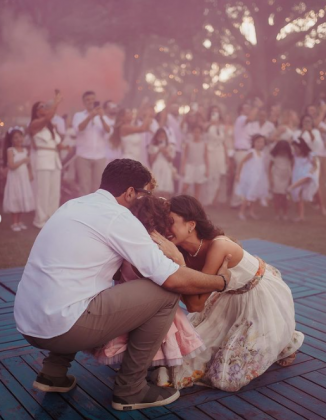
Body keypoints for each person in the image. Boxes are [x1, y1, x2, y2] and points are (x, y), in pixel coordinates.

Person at [13, 158, 231, 411]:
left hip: (28, 322)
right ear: (130, 193)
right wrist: (220, 281)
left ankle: (52, 373)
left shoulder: (73, 205)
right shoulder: (118, 217)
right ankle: (131, 390)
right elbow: (170, 277)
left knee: (80, 290)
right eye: (146, 193)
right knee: (165, 293)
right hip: (63, 327)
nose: (149, 198)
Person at [150, 195, 304, 392]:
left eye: (170, 222)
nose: (165, 229)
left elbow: (195, 305)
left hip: (258, 297)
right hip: (228, 297)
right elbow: (192, 299)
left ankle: (286, 340)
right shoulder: (182, 251)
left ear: (191, 225)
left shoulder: (218, 246)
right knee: (186, 353)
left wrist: (178, 263)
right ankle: (278, 338)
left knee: (228, 373)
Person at [91, 195, 205, 374]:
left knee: (134, 336)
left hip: (126, 306)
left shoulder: (126, 243)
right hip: (154, 308)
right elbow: (175, 280)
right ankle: (146, 372)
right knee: (157, 338)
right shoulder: (157, 249)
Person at [28, 91, 64, 228]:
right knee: (43, 191)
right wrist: (56, 102)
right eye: (42, 106)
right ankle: (40, 220)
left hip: (55, 160)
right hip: (43, 160)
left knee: (54, 192)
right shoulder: (34, 124)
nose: (45, 108)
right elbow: (49, 116)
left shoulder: (50, 127)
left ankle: (52, 217)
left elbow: (58, 144)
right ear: (36, 111)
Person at [72, 91, 111, 196]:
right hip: (83, 155)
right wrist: (90, 116)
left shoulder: (103, 116)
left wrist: (101, 117)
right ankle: (84, 211)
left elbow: (108, 131)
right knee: (84, 186)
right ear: (84, 102)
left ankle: (95, 210)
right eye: (87, 100)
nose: (90, 102)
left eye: (92, 99)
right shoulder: (78, 115)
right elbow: (79, 128)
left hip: (99, 156)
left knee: (98, 187)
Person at [230, 98, 263, 208]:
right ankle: (236, 202)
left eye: (250, 108)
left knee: (246, 177)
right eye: (246, 108)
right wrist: (257, 107)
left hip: (247, 152)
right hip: (241, 152)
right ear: (241, 111)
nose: (249, 110)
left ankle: (243, 201)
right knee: (240, 176)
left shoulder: (249, 124)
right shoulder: (241, 119)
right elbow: (251, 117)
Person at [2, 127, 34, 231]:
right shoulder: (10, 150)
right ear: (11, 140)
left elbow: (28, 165)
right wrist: (23, 160)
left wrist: (30, 174)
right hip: (15, 179)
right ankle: (14, 222)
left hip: (23, 179)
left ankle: (20, 221)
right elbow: (11, 165)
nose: (18, 139)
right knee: (15, 198)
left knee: (22, 198)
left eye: (20, 137)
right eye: (15, 138)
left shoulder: (25, 150)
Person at [293, 114, 326, 215]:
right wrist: (303, 131)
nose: (307, 123)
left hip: (313, 159)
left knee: (315, 182)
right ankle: (301, 214)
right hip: (301, 161)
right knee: (299, 184)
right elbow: (297, 142)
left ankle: (322, 207)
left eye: (309, 121)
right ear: (301, 122)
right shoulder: (297, 132)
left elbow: (315, 144)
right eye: (305, 121)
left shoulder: (315, 131)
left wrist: (309, 131)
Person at [236, 134, 269, 220]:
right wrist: (238, 174)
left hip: (259, 178)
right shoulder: (251, 152)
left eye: (262, 142)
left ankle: (251, 212)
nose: (260, 144)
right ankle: (241, 212)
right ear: (253, 143)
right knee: (248, 195)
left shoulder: (262, 154)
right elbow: (241, 162)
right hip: (251, 177)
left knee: (255, 196)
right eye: (258, 142)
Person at [202, 106, 229, 207]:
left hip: (220, 152)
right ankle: (208, 199)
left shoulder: (222, 126)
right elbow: (204, 135)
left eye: (217, 112)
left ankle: (216, 200)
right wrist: (210, 124)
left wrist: (226, 157)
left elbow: (224, 142)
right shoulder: (207, 125)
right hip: (210, 152)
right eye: (213, 112)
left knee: (219, 176)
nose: (215, 113)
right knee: (210, 175)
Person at [288, 138, 319, 222]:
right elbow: (293, 165)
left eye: (297, 148)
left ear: (302, 147)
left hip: (307, 172)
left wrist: (312, 170)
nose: (296, 150)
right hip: (297, 174)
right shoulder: (295, 155)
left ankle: (291, 187)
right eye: (294, 148)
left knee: (307, 177)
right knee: (298, 196)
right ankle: (300, 216)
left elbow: (315, 165)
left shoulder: (310, 154)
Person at [181, 125, 208, 200]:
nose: (197, 134)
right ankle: (182, 202)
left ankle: (195, 206)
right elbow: (185, 156)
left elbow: (205, 157)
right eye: (195, 132)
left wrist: (207, 169)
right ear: (192, 133)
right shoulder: (189, 143)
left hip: (200, 166)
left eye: (198, 132)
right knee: (185, 187)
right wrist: (183, 168)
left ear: (201, 133)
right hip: (190, 166)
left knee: (197, 188)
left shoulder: (203, 144)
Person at [148, 128, 176, 198]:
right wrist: (158, 151)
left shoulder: (170, 146)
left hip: (166, 167)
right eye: (160, 136)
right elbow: (151, 160)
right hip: (156, 167)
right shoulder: (153, 146)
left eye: (163, 136)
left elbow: (171, 160)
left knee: (166, 190)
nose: (161, 137)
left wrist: (165, 153)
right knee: (156, 189)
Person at [269, 140, 293, 221]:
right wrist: (271, 179)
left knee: (284, 197)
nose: (282, 152)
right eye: (280, 150)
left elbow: (292, 168)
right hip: (276, 177)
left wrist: (291, 179)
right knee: (276, 197)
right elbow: (269, 168)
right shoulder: (274, 156)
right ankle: (277, 214)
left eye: (284, 150)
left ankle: (285, 214)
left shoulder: (290, 157)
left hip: (286, 177)